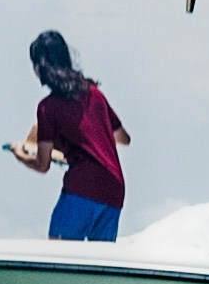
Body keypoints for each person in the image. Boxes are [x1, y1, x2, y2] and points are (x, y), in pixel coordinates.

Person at [10, 30, 130, 240]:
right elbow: (123, 139)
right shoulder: (95, 94)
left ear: (40, 67)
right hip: (114, 189)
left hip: (83, 188)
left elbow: (42, 165)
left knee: (59, 253)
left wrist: (19, 153)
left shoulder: (48, 108)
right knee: (99, 265)